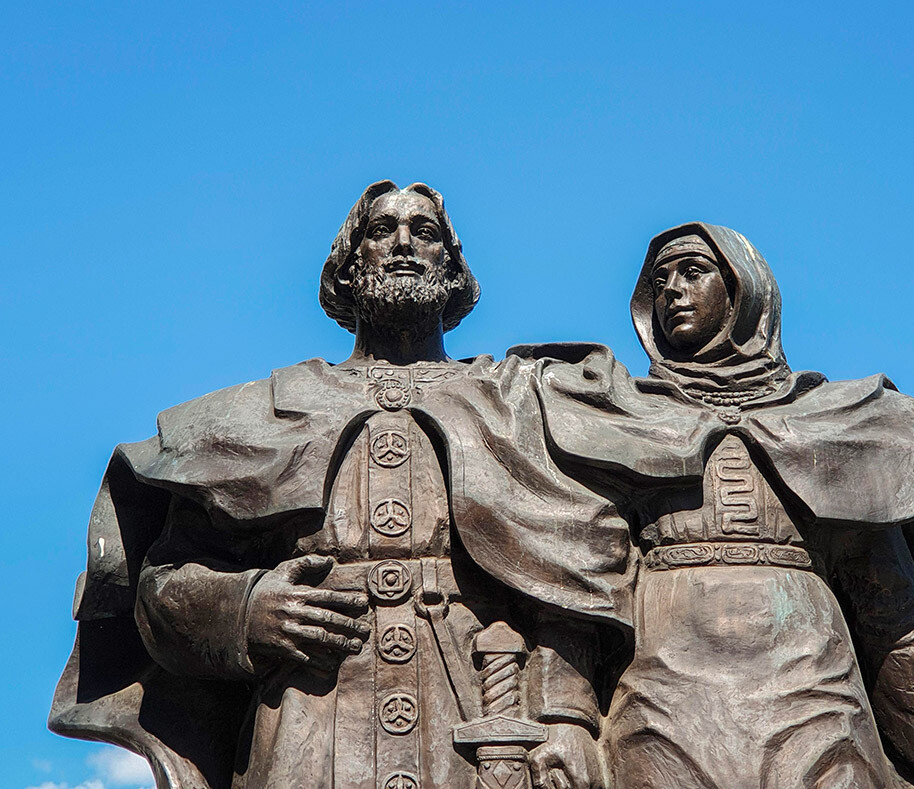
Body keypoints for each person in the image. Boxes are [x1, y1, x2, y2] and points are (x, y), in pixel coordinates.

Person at [49, 182, 628, 789]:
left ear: (453, 271)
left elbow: (574, 572)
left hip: (477, 707)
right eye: (381, 231)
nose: (403, 243)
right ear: (349, 269)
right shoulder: (265, 411)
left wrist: (567, 713)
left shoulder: (511, 399)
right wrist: (246, 611)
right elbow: (162, 586)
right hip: (311, 708)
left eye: (425, 233)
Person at [512, 223, 914, 788]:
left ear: (744, 289)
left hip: (817, 703)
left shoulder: (836, 425)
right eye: (660, 281)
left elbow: (895, 624)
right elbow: (578, 589)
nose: (672, 290)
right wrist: (567, 718)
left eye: (692, 271)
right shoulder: (619, 418)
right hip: (664, 704)